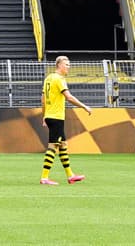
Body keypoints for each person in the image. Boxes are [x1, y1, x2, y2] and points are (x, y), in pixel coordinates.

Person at [40, 55, 92, 185]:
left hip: (51, 116)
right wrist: (84, 106)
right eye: (67, 64)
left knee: (63, 145)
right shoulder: (59, 79)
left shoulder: (48, 78)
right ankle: (44, 177)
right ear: (60, 65)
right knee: (53, 146)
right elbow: (68, 97)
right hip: (56, 117)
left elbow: (43, 98)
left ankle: (70, 175)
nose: (69, 67)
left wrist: (44, 115)